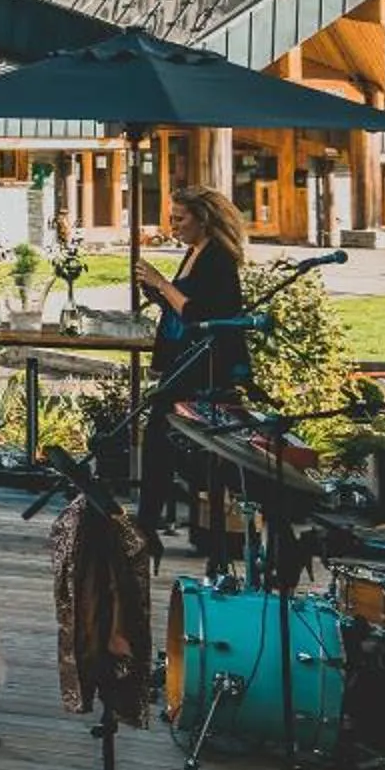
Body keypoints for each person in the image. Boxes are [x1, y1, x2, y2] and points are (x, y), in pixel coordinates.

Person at [132, 185, 251, 537]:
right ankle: (148, 525)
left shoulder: (219, 257)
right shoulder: (195, 251)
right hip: (183, 361)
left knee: (173, 440)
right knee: (160, 438)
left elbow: (202, 314)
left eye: (180, 218)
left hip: (206, 366)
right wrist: (157, 291)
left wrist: (162, 284)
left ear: (204, 219)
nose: (174, 225)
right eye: (171, 218)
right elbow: (182, 304)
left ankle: (149, 526)